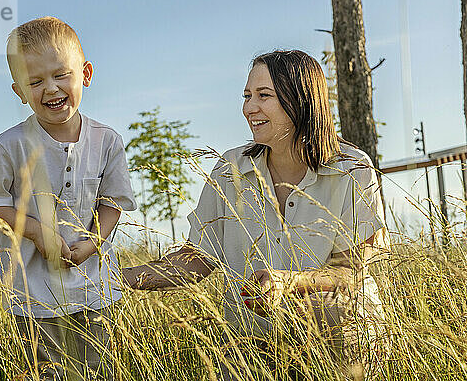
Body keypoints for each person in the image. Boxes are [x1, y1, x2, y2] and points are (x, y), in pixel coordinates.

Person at [123, 50, 387, 379]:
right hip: (253, 342)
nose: (250, 108)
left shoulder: (352, 169)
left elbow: (351, 272)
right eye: (247, 96)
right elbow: (197, 259)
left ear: (301, 100)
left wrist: (290, 283)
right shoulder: (229, 170)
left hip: (337, 341)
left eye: (264, 96)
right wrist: (120, 277)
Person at [0, 17, 136, 380]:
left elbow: (113, 202)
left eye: (61, 75)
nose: (50, 88)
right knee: (44, 373)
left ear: (86, 73)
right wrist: (34, 231)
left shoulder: (106, 141)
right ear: (19, 91)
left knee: (98, 371)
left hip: (96, 293)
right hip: (32, 297)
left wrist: (93, 241)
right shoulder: (10, 145)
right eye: (35, 81)